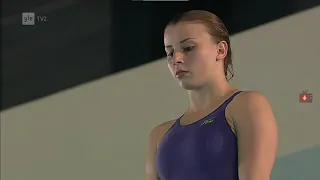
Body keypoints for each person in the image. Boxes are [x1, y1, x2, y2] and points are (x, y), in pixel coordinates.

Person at [146, 10, 278, 180]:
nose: (176, 59)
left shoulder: (246, 106)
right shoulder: (159, 136)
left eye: (188, 48)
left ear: (220, 50)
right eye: (170, 52)